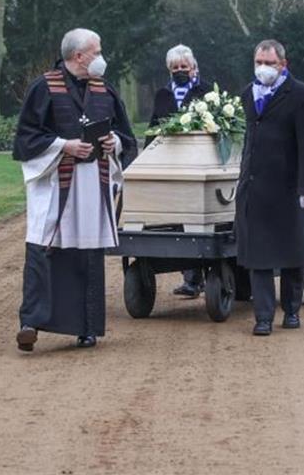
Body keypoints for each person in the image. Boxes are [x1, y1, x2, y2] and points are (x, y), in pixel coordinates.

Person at [12, 28, 137, 352]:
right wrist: (63, 145)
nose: (101, 57)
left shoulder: (104, 89)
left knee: (88, 255)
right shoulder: (44, 87)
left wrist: (115, 143)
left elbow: (126, 136)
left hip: (92, 185)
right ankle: (31, 322)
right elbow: (25, 137)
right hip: (54, 183)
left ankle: (87, 327)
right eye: (96, 52)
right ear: (79, 56)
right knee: (43, 248)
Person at [235, 39, 304, 336]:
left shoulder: (303, 96)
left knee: (291, 252)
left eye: (269, 63)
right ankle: (262, 316)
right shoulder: (248, 94)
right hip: (256, 187)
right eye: (259, 63)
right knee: (258, 255)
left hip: (289, 188)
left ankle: (292, 309)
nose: (263, 68)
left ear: (283, 65)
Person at [147, 44, 214, 297]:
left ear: (193, 67)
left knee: (200, 218)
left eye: (184, 67)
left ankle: (207, 274)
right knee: (178, 220)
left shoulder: (206, 91)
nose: (180, 71)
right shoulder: (162, 94)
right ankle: (191, 278)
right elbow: (154, 127)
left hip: (200, 162)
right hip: (172, 163)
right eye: (175, 67)